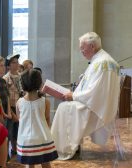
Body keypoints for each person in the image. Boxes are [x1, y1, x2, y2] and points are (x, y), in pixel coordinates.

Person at [51, 32, 121, 160]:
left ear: (92, 46)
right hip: (98, 104)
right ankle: (73, 144)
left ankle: (64, 148)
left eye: (83, 47)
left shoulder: (102, 62)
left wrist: (74, 95)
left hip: (97, 106)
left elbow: (94, 91)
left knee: (64, 108)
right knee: (66, 107)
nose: (81, 51)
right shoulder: (100, 60)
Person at [16, 69, 58, 168]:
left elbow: (19, 119)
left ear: (22, 84)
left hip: (26, 140)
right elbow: (47, 119)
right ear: (40, 83)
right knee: (46, 163)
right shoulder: (45, 101)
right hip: (43, 138)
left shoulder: (19, 102)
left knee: (29, 164)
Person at [3, 54, 23, 157]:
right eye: (13, 62)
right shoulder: (5, 79)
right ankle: (12, 151)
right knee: (10, 132)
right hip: (11, 108)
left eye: (17, 62)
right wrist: (11, 112)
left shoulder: (21, 76)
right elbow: (5, 98)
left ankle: (18, 150)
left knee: (20, 130)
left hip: (21, 107)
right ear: (8, 65)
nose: (16, 64)